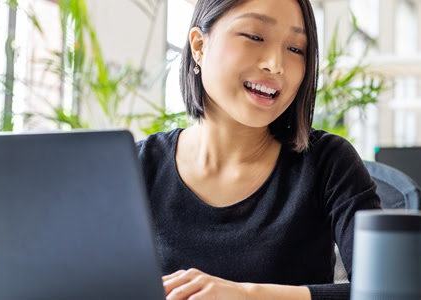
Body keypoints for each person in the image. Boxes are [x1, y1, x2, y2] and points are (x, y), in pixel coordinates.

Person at [135, 0, 381, 299]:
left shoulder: (328, 163)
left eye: (295, 49)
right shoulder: (137, 166)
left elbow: (390, 291)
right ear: (199, 46)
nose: (275, 64)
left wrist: (249, 295)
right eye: (254, 36)